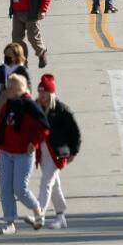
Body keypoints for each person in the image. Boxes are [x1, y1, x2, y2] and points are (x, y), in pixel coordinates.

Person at [0, 74, 50, 234]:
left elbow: (44, 127)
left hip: (23, 154)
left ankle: (37, 209)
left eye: (10, 87)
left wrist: (35, 142)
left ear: (20, 89)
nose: (7, 89)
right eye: (7, 86)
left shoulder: (30, 106)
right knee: (5, 188)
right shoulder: (7, 105)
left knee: (20, 188)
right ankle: (10, 223)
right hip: (6, 152)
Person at [36, 74, 80, 229]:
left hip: (57, 153)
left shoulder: (61, 109)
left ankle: (39, 214)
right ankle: (61, 217)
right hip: (42, 152)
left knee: (46, 182)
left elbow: (74, 131)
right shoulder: (35, 107)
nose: (41, 95)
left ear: (51, 93)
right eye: (39, 91)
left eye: (44, 92)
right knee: (54, 185)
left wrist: (74, 151)